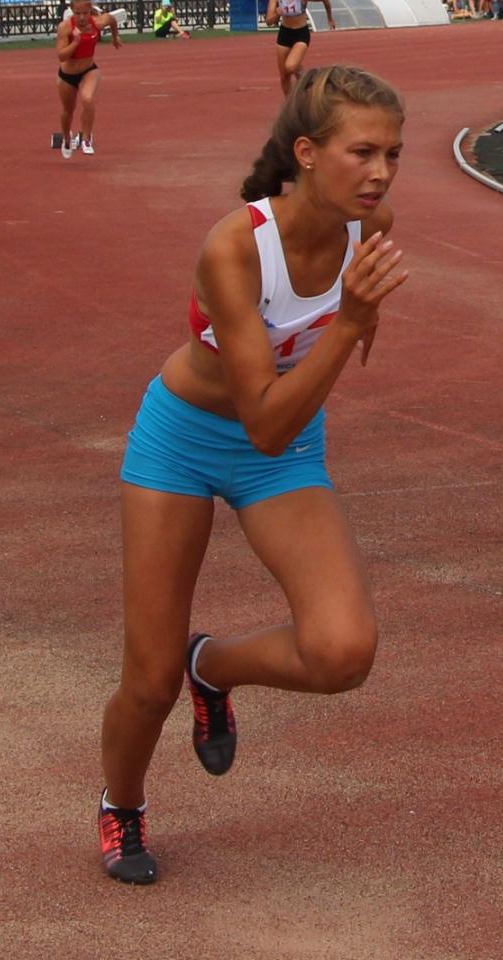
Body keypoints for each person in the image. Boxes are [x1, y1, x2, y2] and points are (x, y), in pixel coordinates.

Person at [96, 66, 408, 886]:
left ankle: (214, 666)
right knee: (148, 682)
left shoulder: (367, 226)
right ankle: (122, 803)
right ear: (306, 153)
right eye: (362, 152)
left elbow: (283, 428)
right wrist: (351, 321)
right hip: (183, 442)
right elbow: (263, 419)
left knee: (343, 653)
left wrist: (358, 320)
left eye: (392, 155)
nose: (380, 173)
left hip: (287, 447)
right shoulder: (235, 247)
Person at [55, 0, 121, 158]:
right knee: (68, 111)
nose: (82, 17)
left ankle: (86, 138)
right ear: (72, 11)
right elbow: (61, 56)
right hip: (67, 75)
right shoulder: (65, 27)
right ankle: (66, 138)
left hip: (89, 69)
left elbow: (112, 20)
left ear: (90, 11)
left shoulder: (97, 22)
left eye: (85, 13)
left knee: (87, 98)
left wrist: (115, 37)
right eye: (78, 13)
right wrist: (75, 42)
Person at [264, 0, 335, 96]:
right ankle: (290, 103)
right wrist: (277, 13)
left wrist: (330, 18)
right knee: (284, 76)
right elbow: (269, 21)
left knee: (290, 66)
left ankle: (304, 75)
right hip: (284, 34)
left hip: (300, 34)